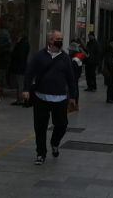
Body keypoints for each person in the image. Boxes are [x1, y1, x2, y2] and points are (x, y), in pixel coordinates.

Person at [23, 31, 79, 165]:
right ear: (50, 40)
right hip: (41, 97)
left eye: (61, 39)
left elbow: (71, 79)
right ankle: (40, 153)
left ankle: (55, 142)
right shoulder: (39, 56)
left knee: (62, 125)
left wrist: (73, 96)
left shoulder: (65, 58)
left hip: (60, 98)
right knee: (40, 127)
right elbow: (29, 72)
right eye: (57, 39)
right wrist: (26, 89)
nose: (60, 41)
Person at [9, 35, 30, 106]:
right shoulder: (25, 44)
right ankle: (21, 99)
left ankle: (21, 100)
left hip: (20, 68)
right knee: (20, 84)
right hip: (21, 67)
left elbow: (18, 55)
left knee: (20, 84)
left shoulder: (21, 45)